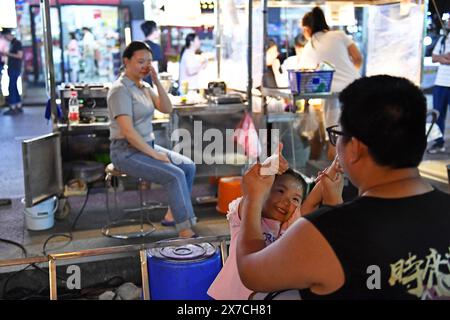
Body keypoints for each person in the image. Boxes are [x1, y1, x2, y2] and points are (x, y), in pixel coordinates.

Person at [236, 75, 450, 300]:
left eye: (338, 134)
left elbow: (251, 272)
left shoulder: (323, 232)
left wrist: (254, 198)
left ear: (355, 148)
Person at [208, 145, 343, 300]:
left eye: (295, 199)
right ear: (264, 190)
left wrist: (335, 167)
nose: (286, 202)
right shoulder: (245, 217)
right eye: (280, 191)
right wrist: (268, 168)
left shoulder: (290, 225)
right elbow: (251, 197)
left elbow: (313, 199)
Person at [107, 41, 197, 238]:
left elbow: (167, 108)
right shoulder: (120, 90)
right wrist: (155, 155)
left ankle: (173, 215)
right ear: (126, 61)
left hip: (145, 146)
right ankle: (185, 231)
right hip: (125, 151)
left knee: (188, 166)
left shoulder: (144, 87)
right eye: (140, 61)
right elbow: (128, 133)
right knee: (175, 174)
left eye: (149, 62)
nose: (145, 66)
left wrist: (156, 80)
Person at [300, 7, 362, 159]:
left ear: (307, 29)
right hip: (357, 90)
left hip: (332, 97)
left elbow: (306, 74)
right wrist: (348, 74)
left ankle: (336, 179)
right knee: (357, 137)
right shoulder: (339, 35)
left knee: (334, 141)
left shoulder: (310, 46)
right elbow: (358, 58)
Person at [428, 20, 450, 154]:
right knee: (438, 114)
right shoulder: (443, 39)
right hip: (440, 83)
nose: (448, 22)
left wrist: (443, 58)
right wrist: (444, 58)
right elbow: (434, 57)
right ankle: (438, 142)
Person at [0, 29, 23, 115]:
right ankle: (18, 105)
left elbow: (20, 55)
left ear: (9, 34)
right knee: (14, 87)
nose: (5, 39)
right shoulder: (12, 43)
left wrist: (7, 54)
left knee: (12, 87)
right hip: (12, 67)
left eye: (6, 36)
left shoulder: (17, 43)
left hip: (15, 67)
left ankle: (13, 106)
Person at [0, 31, 9, 106]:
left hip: (1, 63)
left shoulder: (3, 42)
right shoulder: (4, 41)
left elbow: (6, 53)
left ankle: (2, 101)